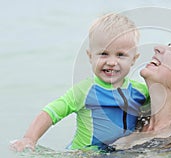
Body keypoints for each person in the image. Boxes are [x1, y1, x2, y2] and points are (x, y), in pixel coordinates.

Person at [10, 13, 149, 151]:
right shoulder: (84, 90)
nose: (111, 62)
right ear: (90, 56)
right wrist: (29, 138)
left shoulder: (141, 91)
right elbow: (51, 112)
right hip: (83, 152)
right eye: (103, 54)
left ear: (134, 59)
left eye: (120, 55)